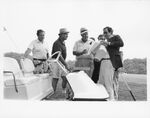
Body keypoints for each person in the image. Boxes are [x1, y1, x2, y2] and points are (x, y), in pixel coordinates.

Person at [101, 26, 124, 100]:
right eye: (103, 33)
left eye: (105, 32)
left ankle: (115, 99)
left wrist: (109, 43)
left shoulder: (116, 37)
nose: (104, 34)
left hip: (114, 62)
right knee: (108, 82)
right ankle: (110, 98)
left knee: (114, 82)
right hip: (107, 63)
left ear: (110, 32)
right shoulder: (105, 40)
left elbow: (121, 43)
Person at [51, 28, 69, 94]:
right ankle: (53, 92)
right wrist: (66, 64)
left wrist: (64, 63)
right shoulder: (57, 43)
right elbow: (59, 56)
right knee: (56, 78)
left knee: (65, 77)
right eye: (65, 34)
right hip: (55, 61)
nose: (67, 35)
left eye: (67, 34)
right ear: (61, 35)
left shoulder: (63, 43)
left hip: (61, 62)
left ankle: (63, 90)